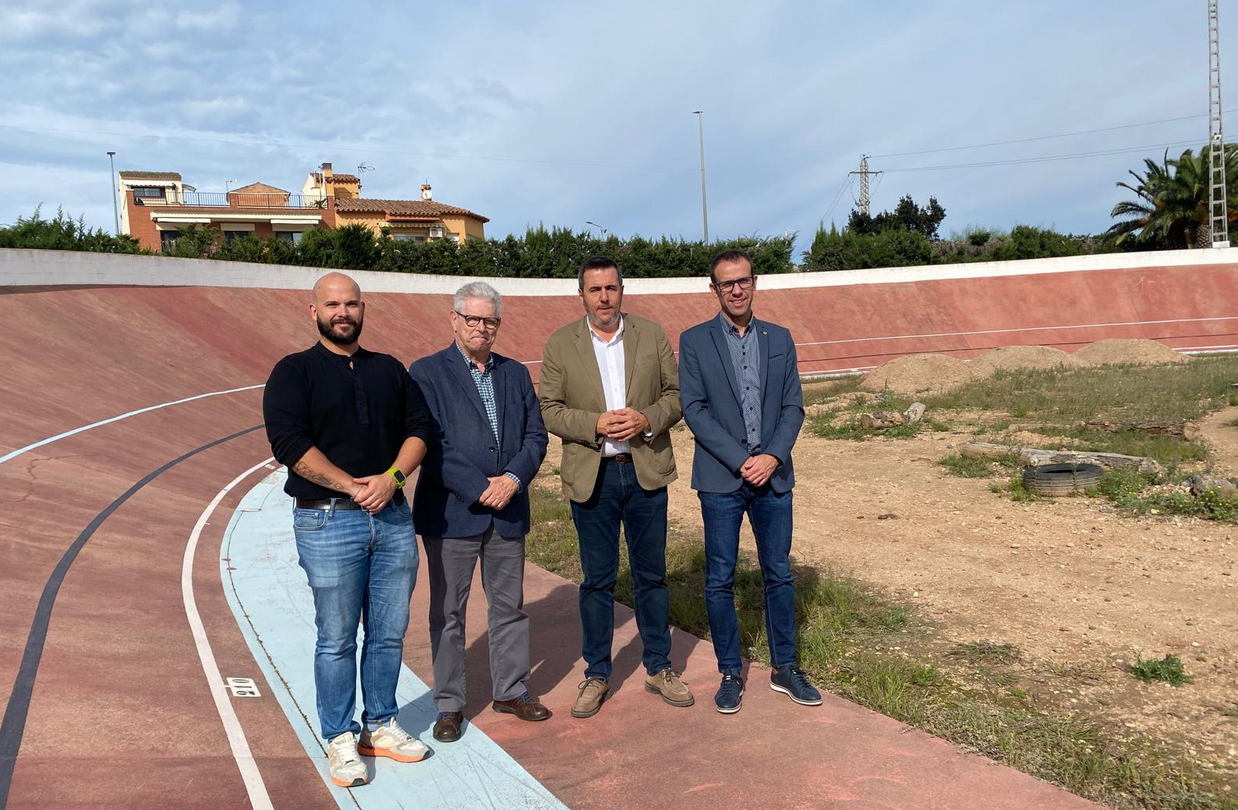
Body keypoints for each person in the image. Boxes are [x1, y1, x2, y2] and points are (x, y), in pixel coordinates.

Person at [262, 272, 433, 788]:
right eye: (333, 304)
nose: (343, 312)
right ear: (313, 311)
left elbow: (420, 430)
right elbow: (289, 444)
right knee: (336, 637)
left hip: (393, 518)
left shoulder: (390, 370)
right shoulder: (293, 372)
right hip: (328, 520)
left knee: (387, 631)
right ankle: (339, 735)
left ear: (363, 309)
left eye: (352, 304)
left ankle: (379, 724)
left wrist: (392, 478)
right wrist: (353, 487)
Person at [538, 257, 693, 718]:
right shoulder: (560, 343)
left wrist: (647, 419)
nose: (604, 297)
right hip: (594, 477)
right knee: (597, 581)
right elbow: (548, 408)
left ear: (622, 291)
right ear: (581, 295)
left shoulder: (652, 334)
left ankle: (659, 666)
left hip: (645, 471)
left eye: (611, 288)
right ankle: (597, 673)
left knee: (652, 576)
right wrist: (595, 424)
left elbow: (676, 395)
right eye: (595, 289)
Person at [678, 249, 823, 714]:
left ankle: (786, 668)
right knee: (720, 577)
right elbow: (694, 410)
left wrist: (772, 457)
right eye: (727, 283)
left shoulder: (779, 338)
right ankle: (729, 672)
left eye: (743, 280)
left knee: (778, 572)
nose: (736, 289)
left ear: (754, 283)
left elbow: (793, 406)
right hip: (722, 478)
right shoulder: (694, 341)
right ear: (714, 289)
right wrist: (744, 461)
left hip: (774, 478)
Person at [408, 281, 551, 744]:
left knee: (509, 608)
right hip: (452, 513)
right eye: (472, 318)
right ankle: (449, 704)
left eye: (490, 320)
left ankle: (510, 690)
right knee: (448, 612)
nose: (481, 327)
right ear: (454, 320)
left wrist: (512, 479)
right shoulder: (427, 372)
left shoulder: (514, 374)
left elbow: (536, 436)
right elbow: (429, 443)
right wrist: (478, 487)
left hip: (508, 508)